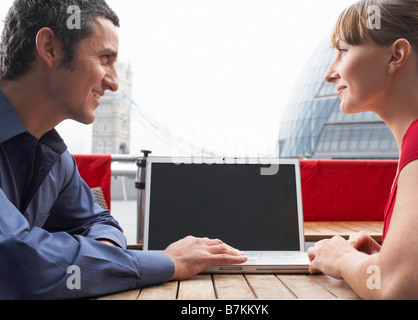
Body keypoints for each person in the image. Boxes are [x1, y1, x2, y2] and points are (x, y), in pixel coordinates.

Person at [0, 0, 246, 300]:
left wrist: (102, 260)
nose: (114, 83)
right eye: (105, 59)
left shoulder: (54, 156)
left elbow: (98, 222)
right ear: (50, 48)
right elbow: (18, 259)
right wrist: (170, 262)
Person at [307, 0, 418, 299]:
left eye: (343, 51)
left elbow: (407, 291)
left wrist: (342, 259)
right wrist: (384, 261)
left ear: (396, 56)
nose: (330, 73)